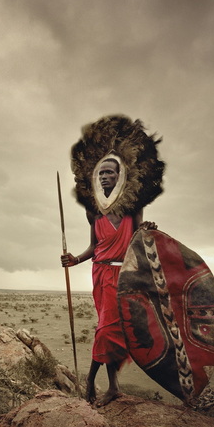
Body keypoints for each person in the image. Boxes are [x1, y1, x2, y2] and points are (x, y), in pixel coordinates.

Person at [61, 157, 157, 407]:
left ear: (119, 177)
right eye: (100, 173)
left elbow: (138, 238)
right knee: (109, 329)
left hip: (124, 276)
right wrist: (75, 259)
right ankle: (113, 386)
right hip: (100, 275)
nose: (104, 176)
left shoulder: (133, 207)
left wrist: (148, 229)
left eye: (109, 173)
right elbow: (95, 246)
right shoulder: (93, 210)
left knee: (110, 330)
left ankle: (92, 380)